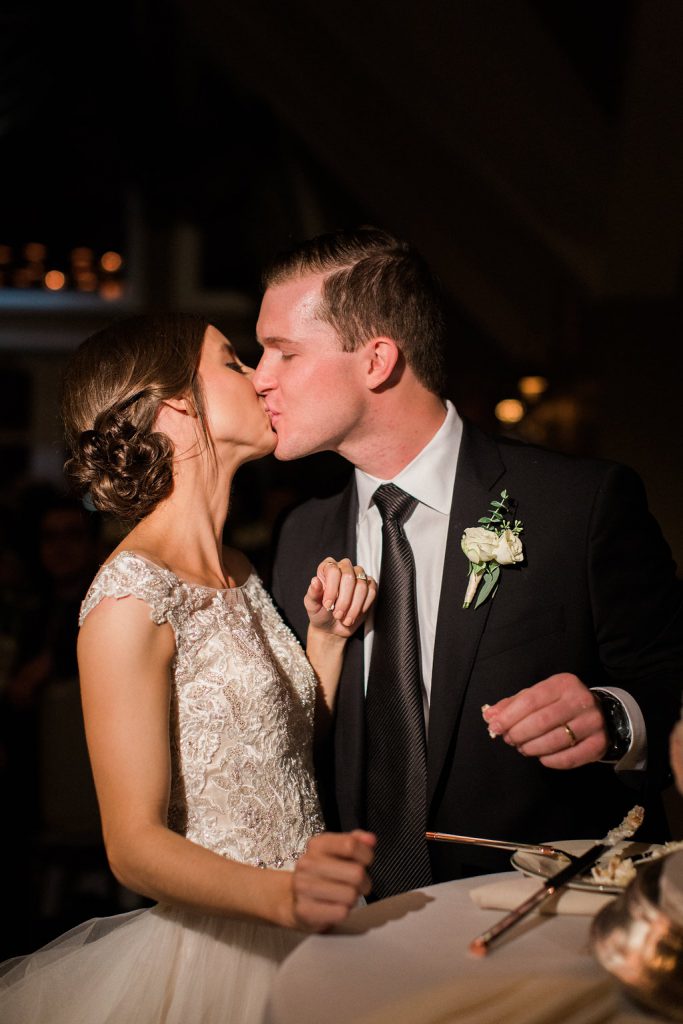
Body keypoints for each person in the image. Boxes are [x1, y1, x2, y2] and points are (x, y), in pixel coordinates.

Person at [251, 226, 683, 899]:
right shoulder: (301, 535)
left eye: (282, 353)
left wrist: (616, 717)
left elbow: (667, 678)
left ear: (376, 361)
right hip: (354, 932)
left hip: (539, 920)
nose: (259, 380)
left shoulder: (578, 504)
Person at [0, 313, 376, 1023]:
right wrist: (284, 897)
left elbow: (283, 755)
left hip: (316, 930)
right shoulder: (130, 598)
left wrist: (325, 639)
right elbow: (133, 848)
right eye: (233, 362)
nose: (261, 376)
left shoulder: (237, 568)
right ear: (173, 402)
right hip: (228, 954)